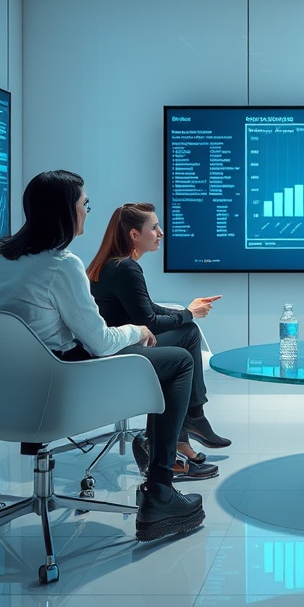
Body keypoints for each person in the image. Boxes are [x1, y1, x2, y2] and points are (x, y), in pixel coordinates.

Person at [0, 170, 203, 542]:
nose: (88, 211)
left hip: (13, 388)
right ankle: (161, 490)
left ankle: (174, 444)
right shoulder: (61, 264)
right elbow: (99, 342)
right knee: (179, 361)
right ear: (65, 211)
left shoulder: (0, 260)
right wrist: (137, 330)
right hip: (63, 382)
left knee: (166, 351)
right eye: (85, 204)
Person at [86, 202, 229, 471]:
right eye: (153, 227)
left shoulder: (113, 264)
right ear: (134, 235)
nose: (161, 232)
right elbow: (148, 321)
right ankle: (191, 420)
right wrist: (189, 314)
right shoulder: (125, 268)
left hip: (120, 345)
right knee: (184, 342)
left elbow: (147, 309)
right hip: (122, 352)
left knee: (187, 331)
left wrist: (188, 311)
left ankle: (184, 434)